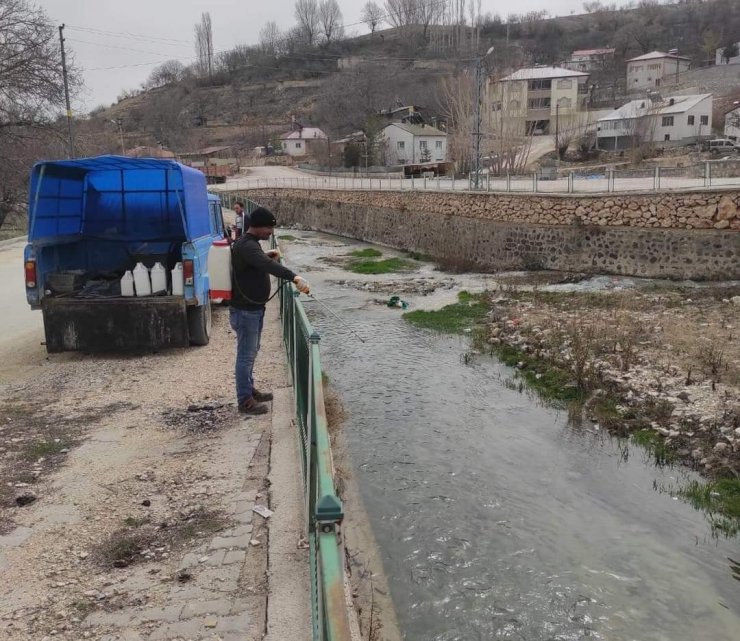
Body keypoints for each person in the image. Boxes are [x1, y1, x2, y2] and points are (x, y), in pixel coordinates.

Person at [230, 207, 310, 415]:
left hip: (253, 309)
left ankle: (249, 390)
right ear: (258, 226)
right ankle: (245, 400)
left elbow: (258, 260)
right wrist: (294, 277)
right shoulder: (247, 245)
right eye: (269, 228)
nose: (271, 232)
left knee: (251, 352)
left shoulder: (250, 245)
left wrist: (266, 255)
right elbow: (265, 265)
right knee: (246, 356)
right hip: (246, 311)